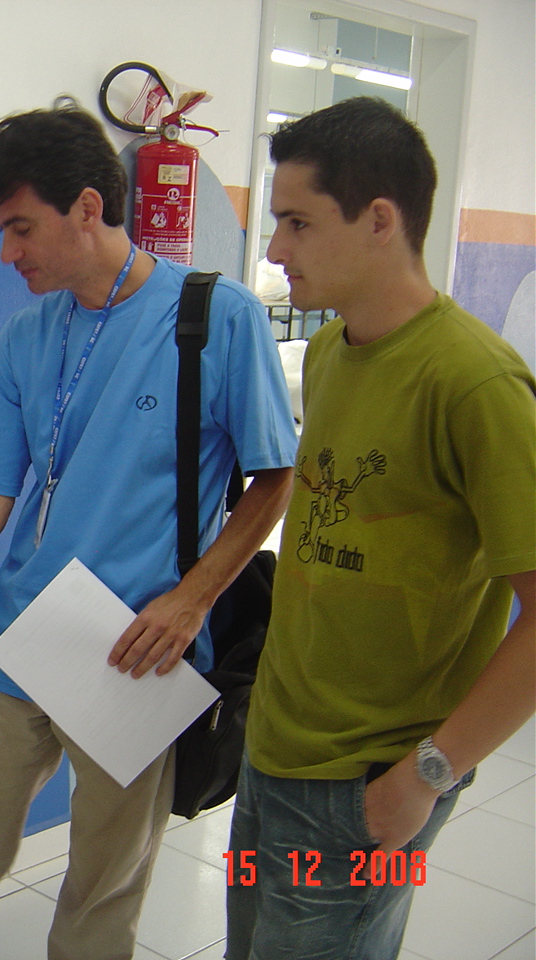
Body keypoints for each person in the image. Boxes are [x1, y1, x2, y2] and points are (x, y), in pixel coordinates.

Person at [0, 103, 297, 960]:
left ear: (89, 208)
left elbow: (275, 478)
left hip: (139, 652)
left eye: (20, 228)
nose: (7, 253)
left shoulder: (216, 318)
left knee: (103, 890)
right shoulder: (26, 336)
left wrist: (191, 601)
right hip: (19, 641)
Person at [225, 97, 535, 959]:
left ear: (379, 221)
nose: (275, 249)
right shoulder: (330, 354)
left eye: (297, 222)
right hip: (273, 756)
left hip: (370, 784)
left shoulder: (475, 384)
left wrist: (428, 774)